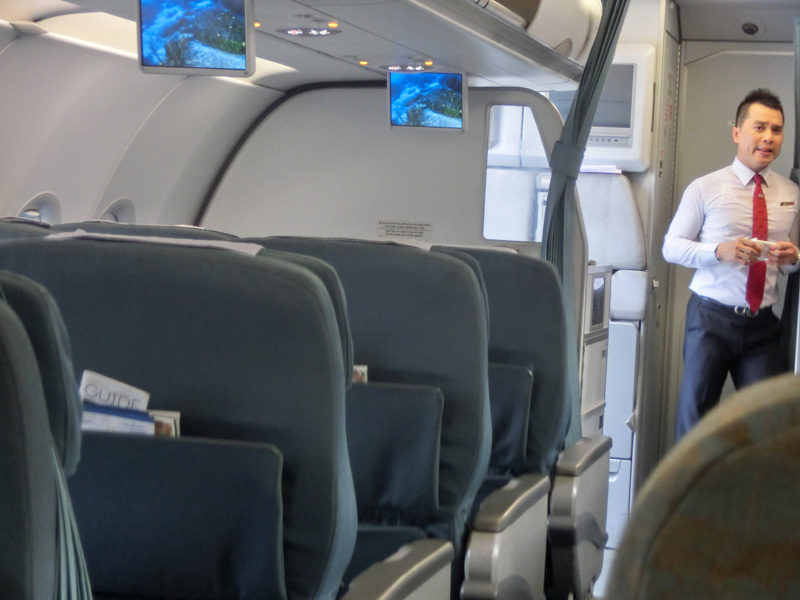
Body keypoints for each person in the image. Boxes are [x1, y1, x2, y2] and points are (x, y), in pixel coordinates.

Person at [663, 88, 800, 441]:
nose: (768, 137)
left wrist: (794, 258)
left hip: (763, 327)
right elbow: (671, 248)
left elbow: (791, 263)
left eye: (777, 130)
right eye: (759, 127)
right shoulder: (705, 187)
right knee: (696, 424)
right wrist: (718, 251)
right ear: (737, 133)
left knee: (770, 430)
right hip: (710, 320)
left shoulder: (791, 193)